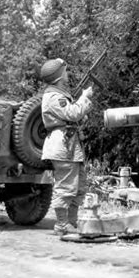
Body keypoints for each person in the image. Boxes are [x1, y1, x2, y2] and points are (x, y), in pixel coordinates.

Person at [40, 57, 93, 237]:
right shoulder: (53, 97)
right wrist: (84, 98)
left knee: (79, 186)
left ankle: (71, 222)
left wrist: (81, 108)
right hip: (63, 145)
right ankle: (62, 225)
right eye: (64, 71)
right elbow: (72, 113)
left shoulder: (59, 95)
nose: (67, 74)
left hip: (69, 145)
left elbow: (74, 116)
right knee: (65, 187)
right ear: (58, 76)